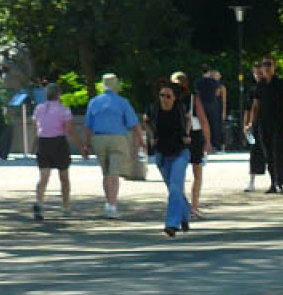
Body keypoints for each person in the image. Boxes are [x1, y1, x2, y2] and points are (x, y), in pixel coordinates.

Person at [82, 73, 145, 219]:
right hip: (118, 139)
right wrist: (141, 141)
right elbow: (134, 124)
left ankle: (108, 203)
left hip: (98, 139)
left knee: (106, 173)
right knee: (114, 173)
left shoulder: (94, 102)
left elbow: (87, 126)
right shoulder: (123, 102)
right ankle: (113, 205)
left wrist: (86, 145)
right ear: (116, 87)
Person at [144, 82, 192, 237]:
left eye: (168, 96)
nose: (164, 99)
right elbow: (146, 120)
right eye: (161, 95)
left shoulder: (180, 108)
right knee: (173, 188)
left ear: (174, 98)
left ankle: (172, 224)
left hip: (180, 152)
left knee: (175, 188)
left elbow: (189, 119)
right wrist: (152, 137)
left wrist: (187, 134)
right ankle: (184, 215)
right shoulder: (154, 107)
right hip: (162, 154)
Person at [34, 82, 85, 220]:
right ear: (59, 95)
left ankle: (39, 203)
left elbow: (36, 125)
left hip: (43, 142)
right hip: (59, 142)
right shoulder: (64, 110)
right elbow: (69, 129)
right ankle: (66, 206)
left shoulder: (39, 109)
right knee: (64, 176)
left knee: (44, 175)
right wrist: (81, 147)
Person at [247, 54, 283, 192]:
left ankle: (281, 182)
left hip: (278, 123)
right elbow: (255, 106)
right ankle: (273, 182)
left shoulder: (280, 83)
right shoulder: (259, 85)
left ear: (274, 66)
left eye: (269, 64)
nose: (266, 67)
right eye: (264, 64)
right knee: (268, 154)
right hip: (263, 124)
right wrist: (251, 123)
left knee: (279, 152)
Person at [168, 72, 212, 217]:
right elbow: (203, 119)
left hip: (175, 137)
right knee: (197, 172)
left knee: (177, 174)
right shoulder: (193, 98)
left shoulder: (167, 98)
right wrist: (208, 140)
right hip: (194, 136)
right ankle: (193, 206)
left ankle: (180, 205)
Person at [243, 62, 266, 192]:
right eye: (255, 73)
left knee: (275, 151)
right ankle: (251, 180)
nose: (257, 75)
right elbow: (248, 108)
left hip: (267, 122)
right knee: (254, 152)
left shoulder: (269, 86)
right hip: (255, 123)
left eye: (259, 73)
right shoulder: (252, 89)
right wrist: (246, 124)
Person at [194, 64, 226, 151]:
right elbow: (217, 93)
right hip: (212, 105)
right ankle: (214, 145)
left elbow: (197, 94)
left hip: (202, 105)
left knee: (202, 125)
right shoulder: (214, 82)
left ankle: (203, 144)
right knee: (213, 125)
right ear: (209, 71)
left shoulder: (198, 82)